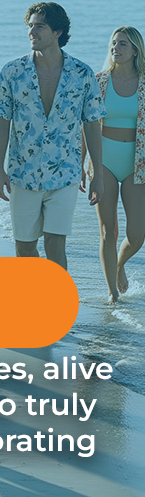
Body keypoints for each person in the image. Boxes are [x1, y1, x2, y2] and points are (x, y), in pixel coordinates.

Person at [0, 2, 105, 270]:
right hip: (22, 173)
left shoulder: (82, 74)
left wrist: (97, 174)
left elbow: (91, 125)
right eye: (30, 26)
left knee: (55, 243)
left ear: (57, 32)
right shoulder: (12, 71)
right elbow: (1, 121)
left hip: (65, 173)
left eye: (39, 26)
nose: (32, 31)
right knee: (25, 248)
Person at [83, 26, 145, 302]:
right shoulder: (99, 82)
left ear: (135, 50)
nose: (115, 48)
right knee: (108, 231)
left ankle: (119, 265)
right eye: (113, 43)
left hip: (137, 164)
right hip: (104, 160)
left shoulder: (144, 84)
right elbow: (86, 125)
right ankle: (112, 293)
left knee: (137, 235)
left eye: (122, 44)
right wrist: (81, 163)